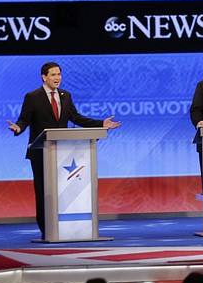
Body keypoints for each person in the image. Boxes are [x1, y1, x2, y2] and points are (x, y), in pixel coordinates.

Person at [7, 62, 121, 238]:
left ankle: (66, 228)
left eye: (59, 74)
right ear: (44, 77)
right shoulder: (32, 96)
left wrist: (101, 124)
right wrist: (18, 129)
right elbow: (24, 120)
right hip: (41, 153)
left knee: (63, 191)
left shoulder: (65, 95)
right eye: (53, 75)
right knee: (44, 192)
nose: (57, 78)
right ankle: (47, 230)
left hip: (63, 153)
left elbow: (76, 117)